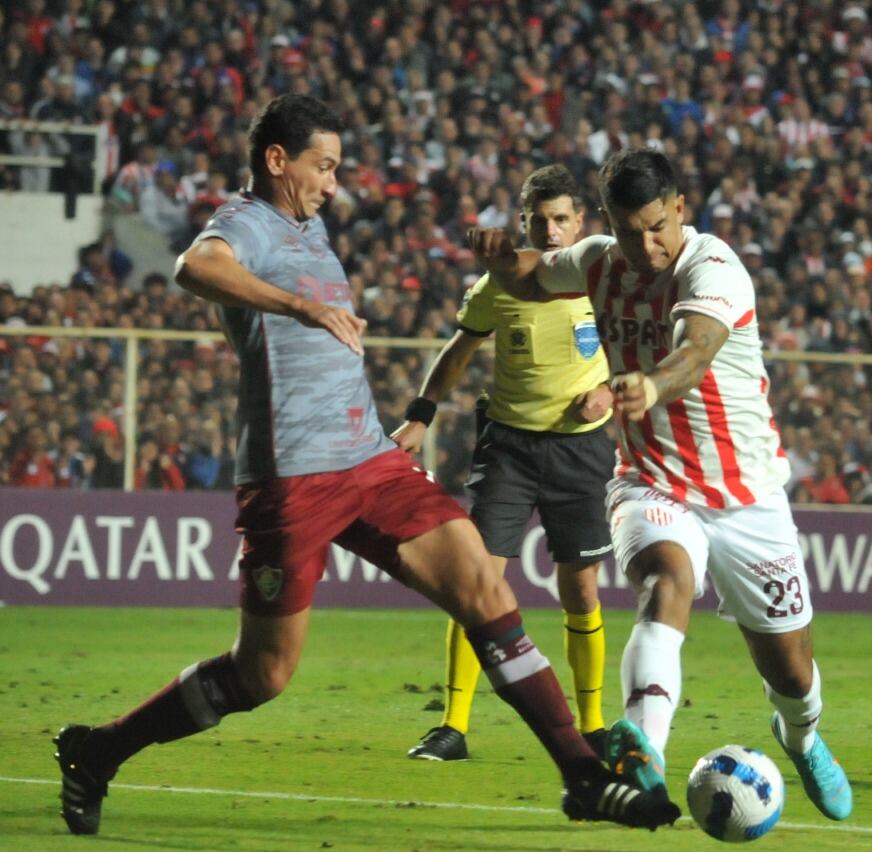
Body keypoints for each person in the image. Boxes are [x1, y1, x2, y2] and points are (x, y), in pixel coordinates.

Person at [52, 96, 678, 837]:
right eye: (323, 166)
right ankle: (99, 753)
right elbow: (197, 266)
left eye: (338, 168)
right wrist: (298, 307)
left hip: (371, 461)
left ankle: (580, 774)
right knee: (263, 676)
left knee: (483, 582)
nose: (333, 184)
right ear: (277, 161)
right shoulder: (247, 222)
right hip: (294, 476)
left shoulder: (306, 223)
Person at [467, 148, 852, 821]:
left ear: (680, 210)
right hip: (651, 482)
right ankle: (645, 744)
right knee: (664, 583)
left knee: (790, 672)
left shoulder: (713, 267)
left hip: (746, 495)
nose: (644, 246)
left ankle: (803, 737)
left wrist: (651, 383)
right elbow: (533, 276)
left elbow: (695, 349)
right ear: (609, 223)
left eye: (656, 228)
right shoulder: (598, 260)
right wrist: (500, 254)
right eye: (627, 231)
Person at [392, 164, 614, 761]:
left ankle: (592, 725)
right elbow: (459, 348)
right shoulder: (499, 284)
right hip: (510, 448)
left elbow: (643, 347)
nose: (550, 231)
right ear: (523, 222)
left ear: (580, 223)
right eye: (539, 221)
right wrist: (421, 413)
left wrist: (613, 390)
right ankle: (454, 726)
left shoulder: (602, 281)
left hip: (581, 449)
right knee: (475, 583)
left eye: (561, 219)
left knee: (581, 590)